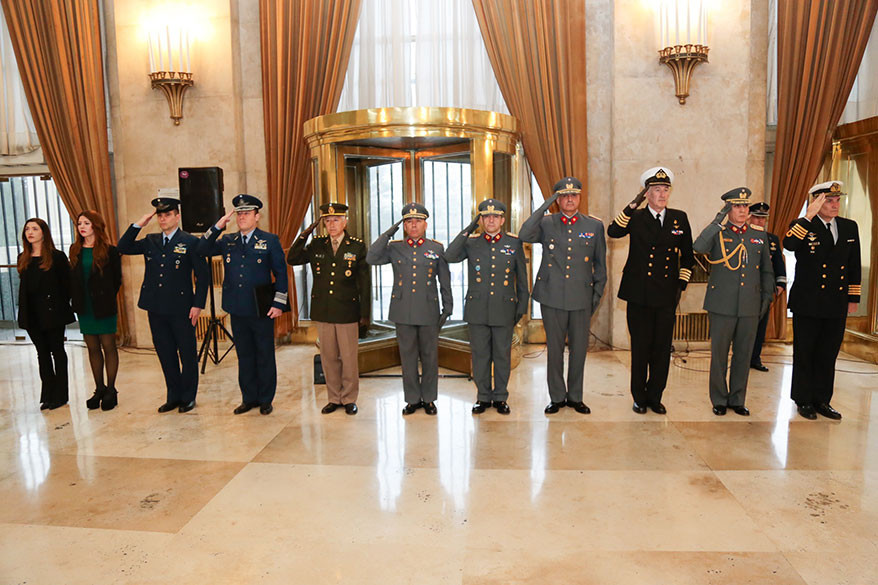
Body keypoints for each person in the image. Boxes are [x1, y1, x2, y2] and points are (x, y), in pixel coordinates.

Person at [607, 167, 695, 414]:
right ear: (647, 193)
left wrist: (681, 285)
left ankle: (655, 396)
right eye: (656, 189)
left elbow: (688, 257)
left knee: (661, 349)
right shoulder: (635, 218)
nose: (662, 194)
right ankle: (639, 397)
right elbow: (613, 231)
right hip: (639, 294)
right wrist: (631, 205)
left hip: (666, 295)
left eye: (665, 189)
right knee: (641, 348)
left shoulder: (680, 218)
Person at [519, 177, 607, 415]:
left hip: (581, 299)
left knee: (579, 351)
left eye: (574, 195)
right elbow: (524, 234)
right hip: (552, 297)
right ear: (558, 200)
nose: (570, 199)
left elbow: (601, 268)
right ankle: (557, 397)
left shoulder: (594, 226)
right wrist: (544, 206)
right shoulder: (547, 223)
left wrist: (593, 300)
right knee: (555, 350)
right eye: (564, 196)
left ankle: (575, 397)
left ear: (580, 198)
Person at [197, 194, 288, 415]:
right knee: (245, 355)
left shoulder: (269, 240)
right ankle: (249, 398)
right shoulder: (229, 241)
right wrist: (218, 226)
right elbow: (201, 250)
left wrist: (279, 303)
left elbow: (281, 273)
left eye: (247, 213)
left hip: (261, 307)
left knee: (264, 354)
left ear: (257, 216)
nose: (242, 217)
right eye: (239, 214)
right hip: (237, 307)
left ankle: (266, 399)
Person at [117, 197, 209, 413]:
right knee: (165, 353)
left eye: (168, 215)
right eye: (159, 215)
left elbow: (203, 277)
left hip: (182, 308)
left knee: (186, 354)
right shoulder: (151, 240)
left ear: (177, 217)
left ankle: (188, 397)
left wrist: (198, 305)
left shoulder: (190, 242)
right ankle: (173, 396)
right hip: (156, 307)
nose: (163, 219)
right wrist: (139, 224)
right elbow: (123, 247)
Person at [783, 181, 861, 420]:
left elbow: (853, 264)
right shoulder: (804, 226)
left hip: (836, 302)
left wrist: (853, 296)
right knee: (805, 352)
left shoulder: (848, 227)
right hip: (808, 301)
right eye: (829, 201)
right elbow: (789, 244)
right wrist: (807, 216)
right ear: (816, 203)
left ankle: (822, 400)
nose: (835, 205)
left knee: (828, 353)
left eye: (837, 200)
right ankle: (803, 399)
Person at [693, 188, 774, 416]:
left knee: (743, 354)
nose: (742, 210)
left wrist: (766, 299)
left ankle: (737, 399)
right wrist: (718, 220)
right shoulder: (718, 232)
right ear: (728, 209)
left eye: (744, 206)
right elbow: (698, 247)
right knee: (719, 355)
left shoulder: (758, 235)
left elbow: (767, 271)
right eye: (736, 206)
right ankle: (719, 399)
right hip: (722, 305)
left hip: (749, 305)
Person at [444, 198, 529, 415]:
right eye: (486, 216)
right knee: (480, 355)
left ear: (502, 219)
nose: (491, 220)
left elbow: (522, 278)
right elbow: (450, 256)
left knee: (502, 355)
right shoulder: (471, 242)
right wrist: (469, 229)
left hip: (504, 308)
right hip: (478, 309)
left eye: (495, 216)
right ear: (480, 220)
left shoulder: (514, 243)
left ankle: (500, 397)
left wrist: (522, 307)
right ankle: (483, 396)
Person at [366, 202, 452, 416]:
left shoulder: (436, 248)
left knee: (430, 357)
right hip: (403, 310)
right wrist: (389, 232)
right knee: (408, 357)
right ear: (403, 226)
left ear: (425, 224)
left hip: (429, 310)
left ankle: (429, 399)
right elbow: (371, 257)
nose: (413, 225)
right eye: (408, 222)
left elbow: (444, 280)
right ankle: (413, 399)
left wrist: (447, 306)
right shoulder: (395, 247)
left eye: (418, 221)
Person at [287, 202, 370, 416]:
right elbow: (293, 258)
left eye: (336, 220)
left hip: (347, 310)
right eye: (327, 221)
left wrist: (364, 314)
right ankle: (334, 398)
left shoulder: (356, 246)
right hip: (323, 310)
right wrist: (305, 234)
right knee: (329, 357)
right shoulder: (317, 244)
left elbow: (364, 282)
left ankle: (349, 398)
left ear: (345, 221)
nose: (331, 225)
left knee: (349, 358)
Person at [17, 218, 76, 410]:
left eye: (35, 228)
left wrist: (60, 305)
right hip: (32, 313)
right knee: (41, 353)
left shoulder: (56, 257)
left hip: (53, 312)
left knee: (57, 351)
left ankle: (61, 395)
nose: (30, 232)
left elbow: (67, 286)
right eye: (27, 229)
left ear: (44, 232)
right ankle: (48, 394)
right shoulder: (23, 257)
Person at [69, 210, 123, 411]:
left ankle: (111, 389)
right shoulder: (74, 250)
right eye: (79, 223)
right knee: (92, 347)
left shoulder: (110, 251)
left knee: (108, 345)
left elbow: (117, 280)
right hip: (84, 306)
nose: (82, 227)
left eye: (86, 223)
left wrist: (105, 296)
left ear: (96, 226)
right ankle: (98, 388)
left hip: (103, 304)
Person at [747, 202, 787, 372]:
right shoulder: (743, 236)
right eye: (756, 217)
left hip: (765, 289)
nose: (760, 221)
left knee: (760, 326)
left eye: (763, 218)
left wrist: (780, 283)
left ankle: (755, 358)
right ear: (749, 217)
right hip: (747, 288)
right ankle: (742, 357)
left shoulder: (771, 239)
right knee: (745, 326)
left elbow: (778, 261)